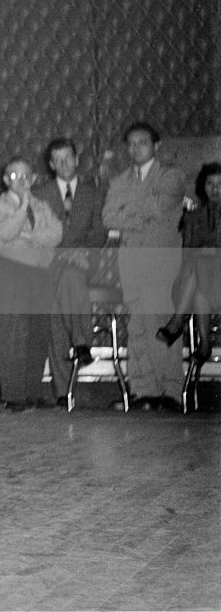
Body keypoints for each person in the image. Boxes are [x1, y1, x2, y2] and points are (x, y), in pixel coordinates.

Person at [102, 122, 186, 409]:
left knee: (161, 322)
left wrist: (127, 211)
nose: (136, 148)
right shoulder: (119, 181)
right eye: (131, 144)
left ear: (156, 146)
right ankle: (144, 390)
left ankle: (170, 391)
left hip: (162, 262)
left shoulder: (172, 176)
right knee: (137, 325)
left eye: (143, 142)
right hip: (131, 262)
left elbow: (159, 208)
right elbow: (109, 217)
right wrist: (139, 212)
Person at [32, 137, 106, 402]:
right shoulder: (39, 194)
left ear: (76, 159)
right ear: (51, 164)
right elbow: (35, 234)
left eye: (68, 158)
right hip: (50, 266)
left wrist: (80, 251)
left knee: (70, 277)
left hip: (83, 265)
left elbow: (99, 233)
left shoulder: (93, 193)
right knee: (55, 313)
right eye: (58, 160)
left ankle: (68, 379)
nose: (64, 164)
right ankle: (78, 352)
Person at [0, 158, 62, 409]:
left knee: (37, 332)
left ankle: (32, 391)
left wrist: (28, 235)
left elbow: (56, 234)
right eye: (14, 176)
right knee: (12, 332)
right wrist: (22, 208)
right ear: (5, 179)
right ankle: (13, 395)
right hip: (9, 271)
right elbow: (6, 232)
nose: (20, 181)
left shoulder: (42, 205)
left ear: (33, 179)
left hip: (39, 272)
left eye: (25, 176)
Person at [156, 161, 221, 360]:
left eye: (220, 184)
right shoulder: (193, 217)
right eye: (210, 184)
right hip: (196, 279)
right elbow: (187, 254)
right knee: (199, 275)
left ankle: (178, 321)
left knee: (201, 269)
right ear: (203, 186)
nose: (215, 189)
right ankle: (204, 344)